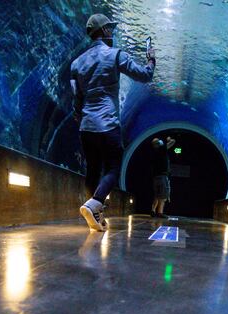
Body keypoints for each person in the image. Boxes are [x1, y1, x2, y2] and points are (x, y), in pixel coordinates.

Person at [71, 14, 156, 231]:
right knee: (113, 168)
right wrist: (151, 59)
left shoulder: (76, 63)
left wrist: (81, 119)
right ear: (106, 31)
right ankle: (94, 204)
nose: (113, 33)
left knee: (92, 169)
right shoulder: (115, 55)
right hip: (107, 124)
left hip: (86, 126)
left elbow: (76, 100)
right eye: (111, 29)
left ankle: (95, 214)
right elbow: (145, 75)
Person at [150, 136, 175, 218]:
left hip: (155, 177)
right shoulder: (162, 149)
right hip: (162, 177)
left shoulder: (153, 152)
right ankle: (160, 213)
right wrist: (169, 139)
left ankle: (153, 210)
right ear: (158, 143)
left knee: (157, 195)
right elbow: (173, 142)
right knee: (163, 196)